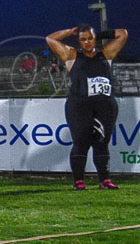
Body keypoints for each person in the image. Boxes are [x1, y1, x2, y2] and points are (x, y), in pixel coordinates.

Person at [46, 24, 128, 190]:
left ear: (95, 38)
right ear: (79, 41)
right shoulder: (72, 55)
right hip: (79, 106)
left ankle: (104, 181)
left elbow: (122, 34)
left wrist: (98, 34)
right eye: (83, 39)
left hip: (105, 106)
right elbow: (50, 39)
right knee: (81, 142)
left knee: (102, 142)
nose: (88, 42)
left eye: (90, 38)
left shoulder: (105, 54)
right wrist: (70, 32)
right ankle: (78, 182)